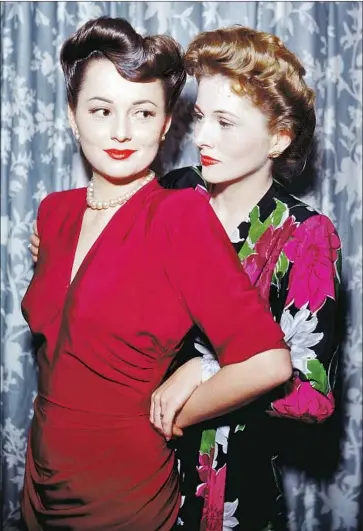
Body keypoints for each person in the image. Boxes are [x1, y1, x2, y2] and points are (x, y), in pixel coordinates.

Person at [28, 23, 342, 531]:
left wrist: (208, 368)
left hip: (223, 476)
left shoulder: (304, 234)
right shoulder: (175, 192)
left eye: (225, 122)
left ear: (278, 138)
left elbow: (309, 391)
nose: (200, 137)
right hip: (130, 467)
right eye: (198, 117)